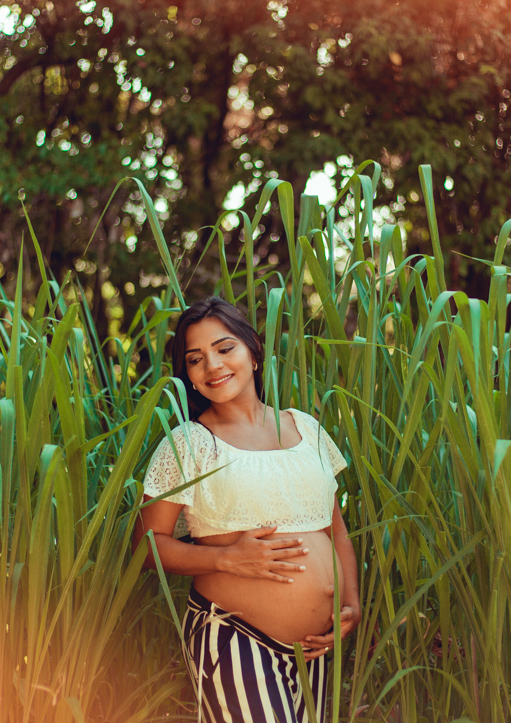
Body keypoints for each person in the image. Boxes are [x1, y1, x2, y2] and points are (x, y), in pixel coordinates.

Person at [134, 296, 360, 723]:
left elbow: (337, 532)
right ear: (189, 377)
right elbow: (146, 546)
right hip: (236, 637)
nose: (213, 366)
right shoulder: (188, 443)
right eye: (196, 359)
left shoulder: (305, 427)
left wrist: (351, 602)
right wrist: (225, 558)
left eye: (224, 349)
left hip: (318, 646)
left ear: (253, 351)